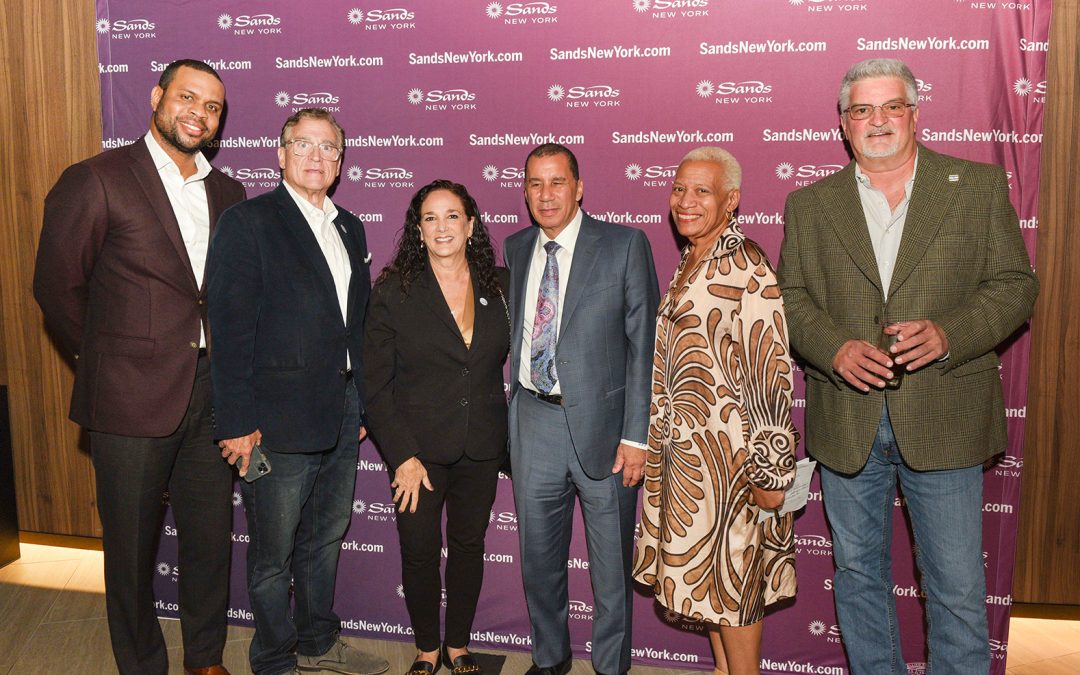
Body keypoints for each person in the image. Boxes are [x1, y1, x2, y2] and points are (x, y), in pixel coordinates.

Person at [776, 58, 1038, 674]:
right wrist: (834, 347)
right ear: (844, 124)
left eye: (891, 106)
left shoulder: (974, 187)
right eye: (862, 110)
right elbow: (790, 297)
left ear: (915, 114)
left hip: (945, 414)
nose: (878, 120)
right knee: (859, 576)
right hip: (848, 419)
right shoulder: (810, 204)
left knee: (955, 590)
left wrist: (950, 333)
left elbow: (1014, 286)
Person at [33, 59, 244, 675]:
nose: (198, 114)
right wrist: (109, 360)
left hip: (209, 397)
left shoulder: (228, 193)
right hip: (126, 398)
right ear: (157, 97)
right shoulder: (96, 179)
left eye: (212, 108)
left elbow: (227, 298)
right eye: (187, 97)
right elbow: (56, 288)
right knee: (130, 553)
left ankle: (205, 658)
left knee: (209, 543)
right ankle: (142, 666)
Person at [207, 108, 388, 675]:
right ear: (280, 154)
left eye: (329, 148)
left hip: (340, 412)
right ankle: (274, 659)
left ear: (340, 162)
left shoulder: (349, 226)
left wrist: (361, 400)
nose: (316, 157)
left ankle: (316, 641)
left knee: (326, 537)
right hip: (272, 424)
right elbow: (229, 330)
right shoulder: (249, 222)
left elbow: (352, 324)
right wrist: (235, 422)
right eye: (303, 145)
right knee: (271, 556)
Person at [634, 147, 798, 675]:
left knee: (734, 585)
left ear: (732, 200)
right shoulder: (693, 259)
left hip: (733, 462)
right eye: (679, 188)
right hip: (689, 460)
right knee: (712, 591)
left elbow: (770, 368)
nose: (685, 201)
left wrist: (772, 469)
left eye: (702, 191)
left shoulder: (746, 265)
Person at [505, 143, 660, 675]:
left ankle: (610, 667)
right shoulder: (517, 246)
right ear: (524, 192)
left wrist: (636, 436)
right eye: (534, 184)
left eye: (556, 182)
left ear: (579, 187)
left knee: (610, 569)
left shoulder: (623, 244)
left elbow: (645, 346)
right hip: (533, 423)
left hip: (607, 431)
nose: (545, 195)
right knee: (538, 562)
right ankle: (549, 660)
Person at [363, 180, 510, 675]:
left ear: (470, 225)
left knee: (469, 547)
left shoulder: (501, 286)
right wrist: (401, 455)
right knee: (421, 551)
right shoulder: (394, 291)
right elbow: (375, 385)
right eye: (430, 217)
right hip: (417, 455)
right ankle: (427, 649)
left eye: (452, 216)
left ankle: (458, 645)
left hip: (482, 446)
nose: (442, 227)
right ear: (417, 229)